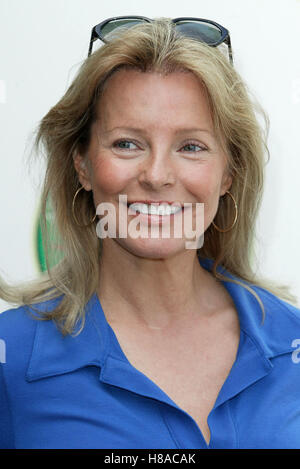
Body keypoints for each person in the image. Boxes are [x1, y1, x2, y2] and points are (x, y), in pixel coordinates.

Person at [0, 16, 300, 450]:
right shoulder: (12, 356)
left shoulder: (291, 343)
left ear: (229, 173)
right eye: (127, 143)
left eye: (191, 146)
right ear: (81, 163)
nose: (157, 175)